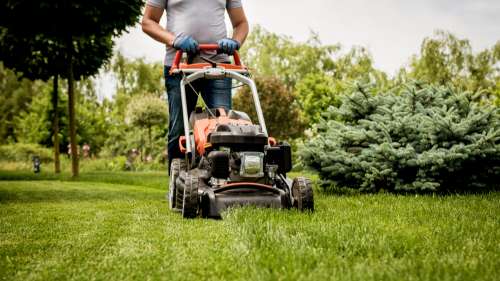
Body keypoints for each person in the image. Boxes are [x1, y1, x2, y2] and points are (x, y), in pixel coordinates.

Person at [141, 0, 249, 171]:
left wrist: (235, 42)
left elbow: (241, 23)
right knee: (179, 131)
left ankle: (219, 183)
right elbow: (148, 22)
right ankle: (177, 188)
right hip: (180, 67)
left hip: (219, 66)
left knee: (222, 128)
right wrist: (174, 40)